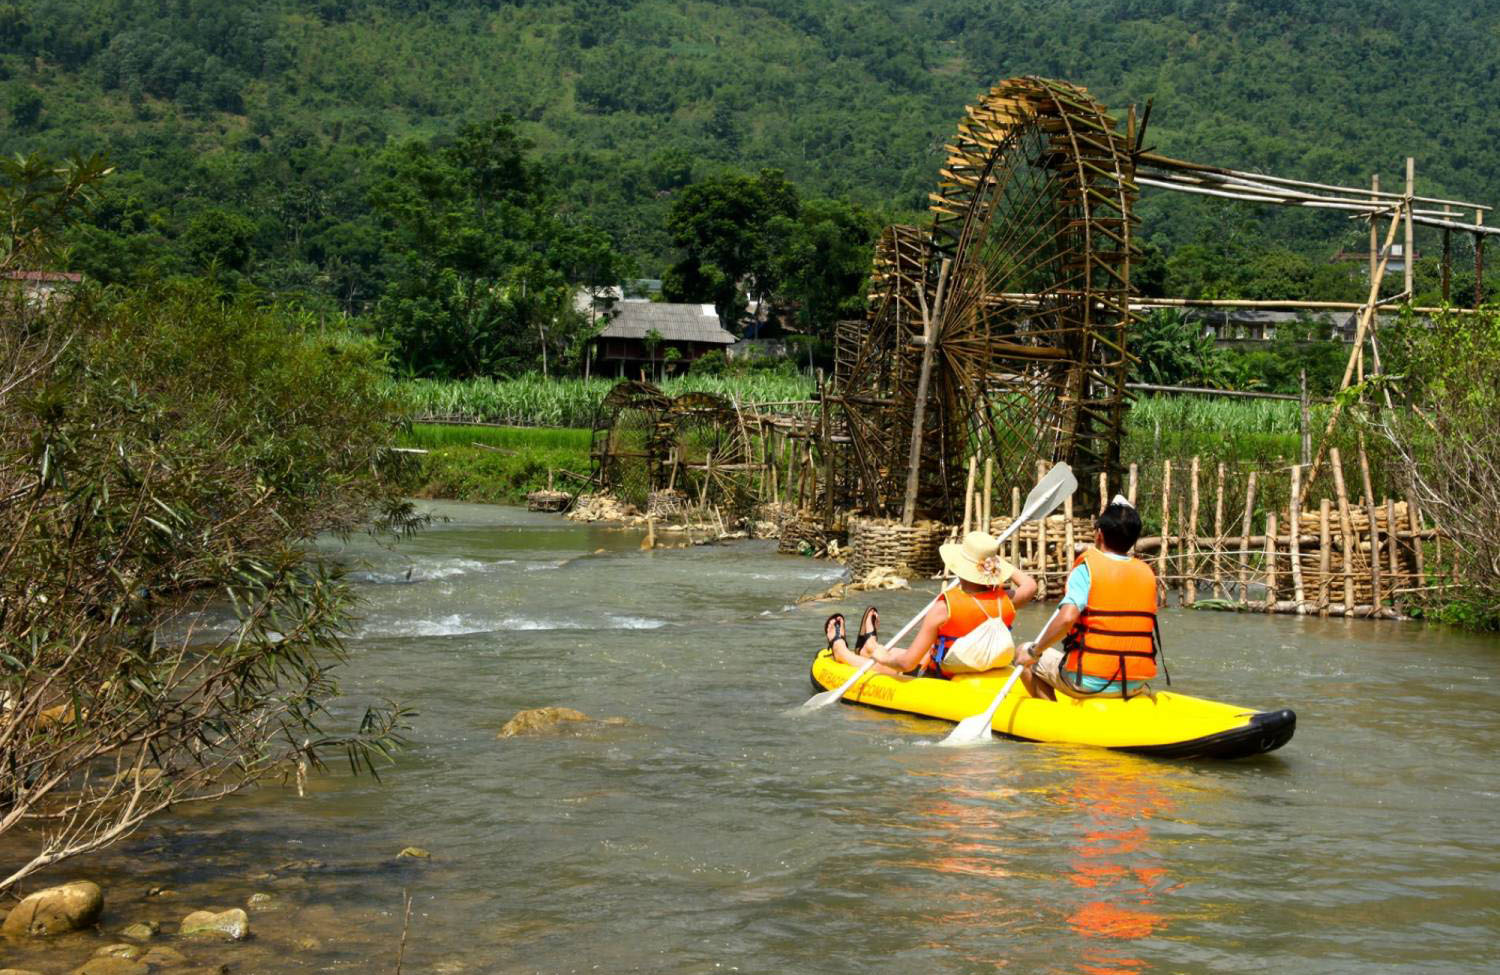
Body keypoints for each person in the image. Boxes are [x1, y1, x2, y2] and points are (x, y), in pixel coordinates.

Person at [824, 531, 1037, 677]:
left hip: (943, 674)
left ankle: (843, 653)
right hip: (977, 663)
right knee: (922, 653)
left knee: (894, 663)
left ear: (959, 568)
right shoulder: (1006, 600)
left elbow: (907, 663)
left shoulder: (944, 607)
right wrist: (997, 563)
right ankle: (869, 647)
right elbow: (1030, 585)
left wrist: (884, 658)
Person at [1013, 496, 1161, 701]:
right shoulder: (1147, 573)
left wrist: (1034, 652)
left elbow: (1066, 619)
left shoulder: (1087, 568)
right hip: (1135, 682)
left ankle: (1052, 714)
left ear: (1099, 535)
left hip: (1089, 682)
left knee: (1023, 651)